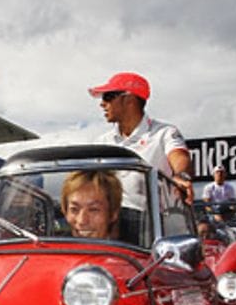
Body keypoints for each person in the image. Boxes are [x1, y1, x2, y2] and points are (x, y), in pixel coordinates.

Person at [89, 72, 193, 203]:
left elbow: (179, 156)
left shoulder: (165, 132)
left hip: (156, 215)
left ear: (129, 100)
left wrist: (182, 176)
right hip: (112, 215)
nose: (102, 104)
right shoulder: (101, 142)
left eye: (108, 97)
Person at [60, 170, 122, 240]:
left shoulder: (128, 245)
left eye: (93, 210)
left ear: (113, 213)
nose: (82, 221)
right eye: (74, 209)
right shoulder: (56, 245)